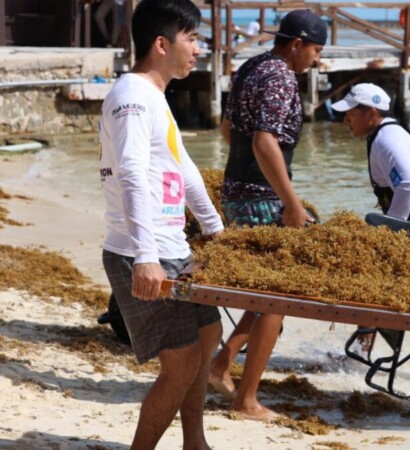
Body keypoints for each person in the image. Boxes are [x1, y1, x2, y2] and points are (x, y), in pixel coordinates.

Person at [98, 1, 224, 448]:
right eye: (191, 38)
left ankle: (194, 441)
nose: (198, 48)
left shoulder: (155, 94)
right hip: (141, 250)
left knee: (209, 334)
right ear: (160, 43)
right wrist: (146, 257)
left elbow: (184, 169)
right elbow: (130, 172)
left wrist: (216, 232)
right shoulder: (131, 97)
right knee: (182, 363)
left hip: (175, 247)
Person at [207, 9, 326, 421]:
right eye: (314, 50)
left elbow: (228, 129)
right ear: (296, 44)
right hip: (260, 196)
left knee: (261, 294)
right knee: (279, 296)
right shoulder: (280, 75)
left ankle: (220, 366)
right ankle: (247, 400)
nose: (316, 59)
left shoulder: (251, 65)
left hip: (237, 189)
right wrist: (290, 202)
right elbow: (263, 140)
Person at [332, 83, 410, 231]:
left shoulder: (386, 140)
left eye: (350, 115)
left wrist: (391, 229)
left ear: (372, 113)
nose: (345, 120)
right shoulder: (398, 130)